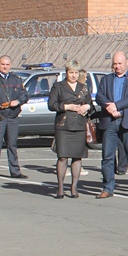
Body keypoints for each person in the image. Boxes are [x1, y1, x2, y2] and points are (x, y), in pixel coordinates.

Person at [96, 51, 128, 199]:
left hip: (127, 121)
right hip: (110, 121)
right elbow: (99, 96)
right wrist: (109, 108)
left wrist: (116, 106)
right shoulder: (106, 79)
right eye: (115, 64)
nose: (117, 66)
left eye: (120, 63)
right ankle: (108, 187)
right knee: (107, 157)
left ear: (127, 62)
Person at [48, 61, 92, 198]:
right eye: (71, 72)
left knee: (77, 157)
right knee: (62, 157)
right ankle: (60, 186)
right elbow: (51, 104)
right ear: (66, 73)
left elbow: (91, 104)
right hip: (63, 125)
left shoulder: (83, 87)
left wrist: (87, 107)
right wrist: (67, 107)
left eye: (76, 73)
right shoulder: (58, 86)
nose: (73, 75)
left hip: (79, 126)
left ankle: (74, 187)